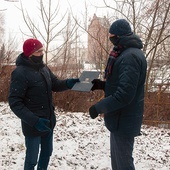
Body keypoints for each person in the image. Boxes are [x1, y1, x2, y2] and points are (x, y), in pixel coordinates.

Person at [8, 38, 79, 170]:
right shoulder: (20, 72)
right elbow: (15, 102)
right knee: (31, 159)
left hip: (48, 121)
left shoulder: (44, 68)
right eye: (38, 51)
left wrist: (69, 83)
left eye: (42, 50)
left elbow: (56, 84)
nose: (42, 54)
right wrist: (35, 121)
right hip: (33, 124)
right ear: (29, 54)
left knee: (47, 153)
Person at [89, 19, 147, 170]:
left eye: (112, 35)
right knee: (119, 162)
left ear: (120, 36)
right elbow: (121, 85)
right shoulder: (124, 53)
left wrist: (98, 107)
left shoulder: (130, 57)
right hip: (120, 117)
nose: (110, 38)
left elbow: (125, 94)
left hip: (124, 119)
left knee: (123, 164)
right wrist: (102, 85)